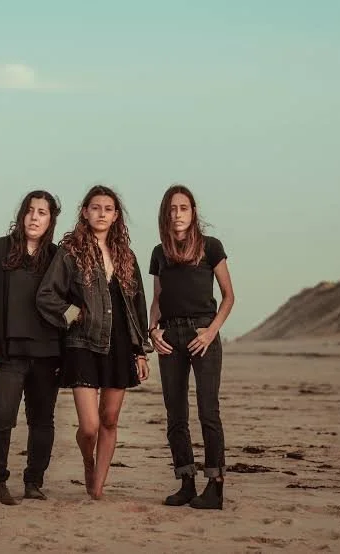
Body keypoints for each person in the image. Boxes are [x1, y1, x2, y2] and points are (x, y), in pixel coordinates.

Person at [36, 185, 152, 500]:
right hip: (82, 343)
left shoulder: (127, 256)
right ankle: (88, 460)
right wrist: (74, 314)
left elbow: (137, 307)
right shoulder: (70, 251)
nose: (102, 213)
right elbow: (46, 295)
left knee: (109, 420)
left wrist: (140, 351)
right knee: (89, 426)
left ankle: (98, 486)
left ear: (116, 216)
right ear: (85, 212)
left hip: (120, 345)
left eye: (108, 208)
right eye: (96, 207)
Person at [0, 190, 62, 506]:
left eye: (43, 212)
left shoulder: (58, 257)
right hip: (5, 353)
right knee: (2, 416)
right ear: (22, 215)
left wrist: (74, 322)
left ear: (51, 220)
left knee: (43, 421)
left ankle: (34, 481)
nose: (35, 217)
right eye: (30, 210)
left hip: (48, 354)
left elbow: (73, 303)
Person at [148, 184, 234, 510]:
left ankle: (215, 486)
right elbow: (157, 299)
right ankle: (186, 482)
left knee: (208, 412)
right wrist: (152, 329)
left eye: (183, 208)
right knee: (175, 414)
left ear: (193, 212)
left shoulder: (211, 247)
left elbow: (228, 296)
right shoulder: (159, 253)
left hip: (202, 336)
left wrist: (211, 332)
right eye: (172, 209)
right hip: (169, 337)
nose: (177, 214)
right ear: (165, 214)